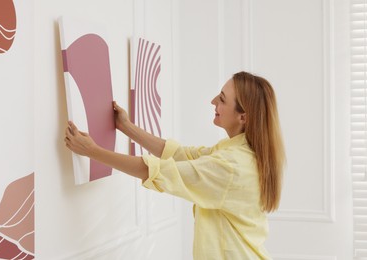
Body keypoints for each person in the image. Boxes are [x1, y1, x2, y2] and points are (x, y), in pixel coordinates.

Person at [65, 71, 286, 260]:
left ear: (243, 117)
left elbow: (156, 171)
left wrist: (92, 151)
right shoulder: (238, 153)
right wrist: (126, 126)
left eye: (222, 99)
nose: (213, 102)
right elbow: (182, 155)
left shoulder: (232, 166)